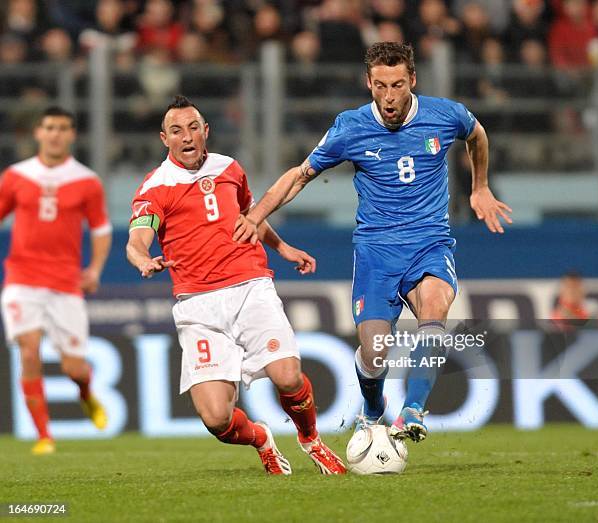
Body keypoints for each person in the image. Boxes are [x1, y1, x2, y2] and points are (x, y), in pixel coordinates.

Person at [234, 42, 512, 443]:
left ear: (412, 80)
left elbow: (477, 134)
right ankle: (374, 407)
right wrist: (256, 216)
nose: (389, 96)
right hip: (376, 251)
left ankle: (413, 409)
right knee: (375, 351)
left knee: (435, 311)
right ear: (368, 83)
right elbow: (299, 176)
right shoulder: (350, 128)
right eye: (380, 86)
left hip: (430, 243)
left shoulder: (444, 115)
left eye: (397, 85)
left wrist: (480, 186)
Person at [126, 95, 346, 475]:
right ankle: (261, 439)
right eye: (177, 131)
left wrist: (283, 248)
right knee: (216, 419)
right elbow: (137, 238)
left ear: (205, 130)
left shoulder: (229, 168)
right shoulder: (155, 187)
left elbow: (248, 217)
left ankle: (311, 440)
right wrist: (144, 259)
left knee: (288, 376)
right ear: (165, 139)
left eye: (193, 127)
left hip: (250, 287)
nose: (187, 136)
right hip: (198, 306)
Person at [0, 107, 112, 455]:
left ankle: (85, 393)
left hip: (66, 283)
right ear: (38, 133)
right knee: (29, 351)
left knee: (74, 367)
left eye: (62, 128)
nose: (55, 134)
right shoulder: (16, 176)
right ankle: (44, 436)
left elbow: (101, 230)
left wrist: (93, 269)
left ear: (72, 135)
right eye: (49, 127)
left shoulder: (86, 181)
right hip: (22, 277)